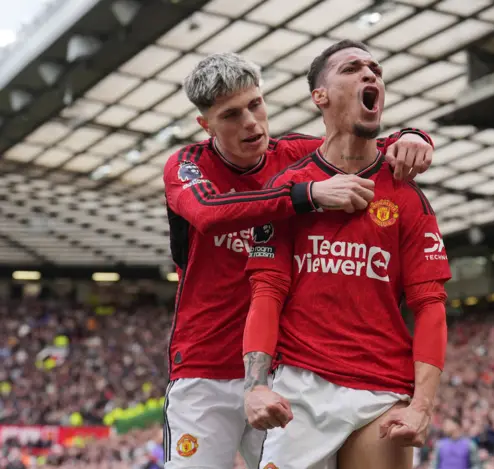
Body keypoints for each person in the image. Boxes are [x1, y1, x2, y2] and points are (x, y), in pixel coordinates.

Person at [162, 51, 437, 469]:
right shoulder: (188, 166)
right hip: (206, 368)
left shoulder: (293, 155)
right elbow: (209, 213)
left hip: (281, 374)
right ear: (207, 125)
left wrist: (414, 136)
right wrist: (308, 196)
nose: (251, 122)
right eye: (231, 115)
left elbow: (362, 141)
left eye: (255, 104)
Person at [242, 39, 451, 469]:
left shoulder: (407, 197)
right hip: (299, 391)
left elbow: (430, 306)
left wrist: (422, 405)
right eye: (353, 68)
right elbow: (267, 293)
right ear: (320, 96)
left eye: (375, 68)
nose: (370, 74)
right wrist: (255, 386)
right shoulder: (289, 192)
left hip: (381, 394)